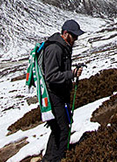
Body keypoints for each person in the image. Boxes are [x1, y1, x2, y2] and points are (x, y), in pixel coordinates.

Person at [41, 19, 85, 162]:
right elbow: (51, 75)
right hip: (53, 95)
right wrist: (71, 74)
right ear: (65, 33)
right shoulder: (55, 49)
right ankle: (58, 159)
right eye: (74, 36)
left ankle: (48, 159)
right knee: (62, 130)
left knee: (57, 129)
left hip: (59, 93)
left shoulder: (63, 46)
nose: (76, 39)